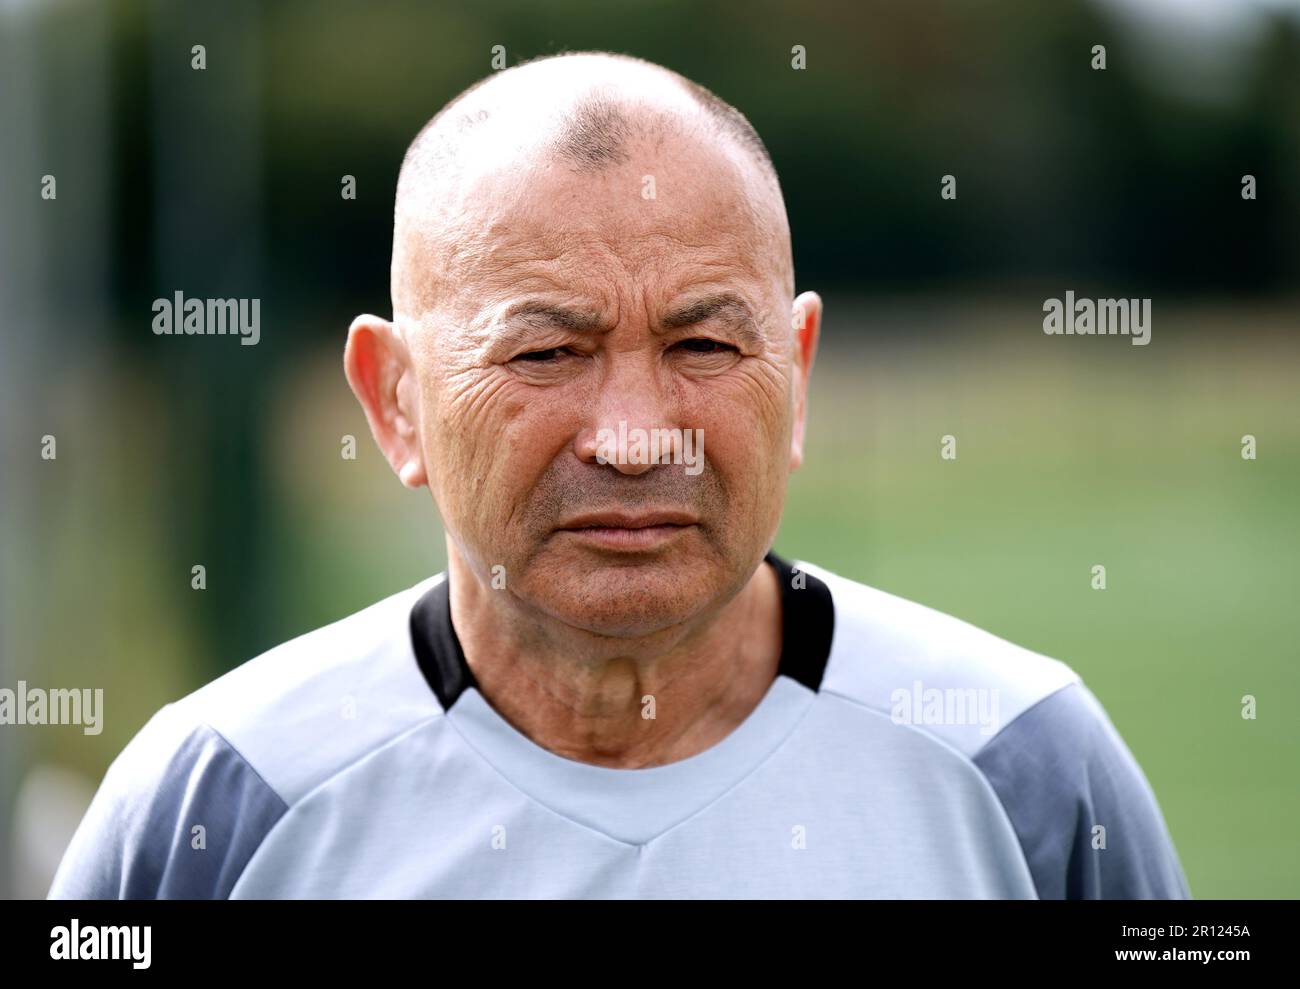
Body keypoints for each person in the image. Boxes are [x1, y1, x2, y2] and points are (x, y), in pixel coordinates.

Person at [48, 50, 1190, 899]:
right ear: (394, 400)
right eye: (548, 351)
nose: (638, 436)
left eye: (702, 345)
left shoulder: (1026, 766)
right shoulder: (219, 802)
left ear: (794, 370)